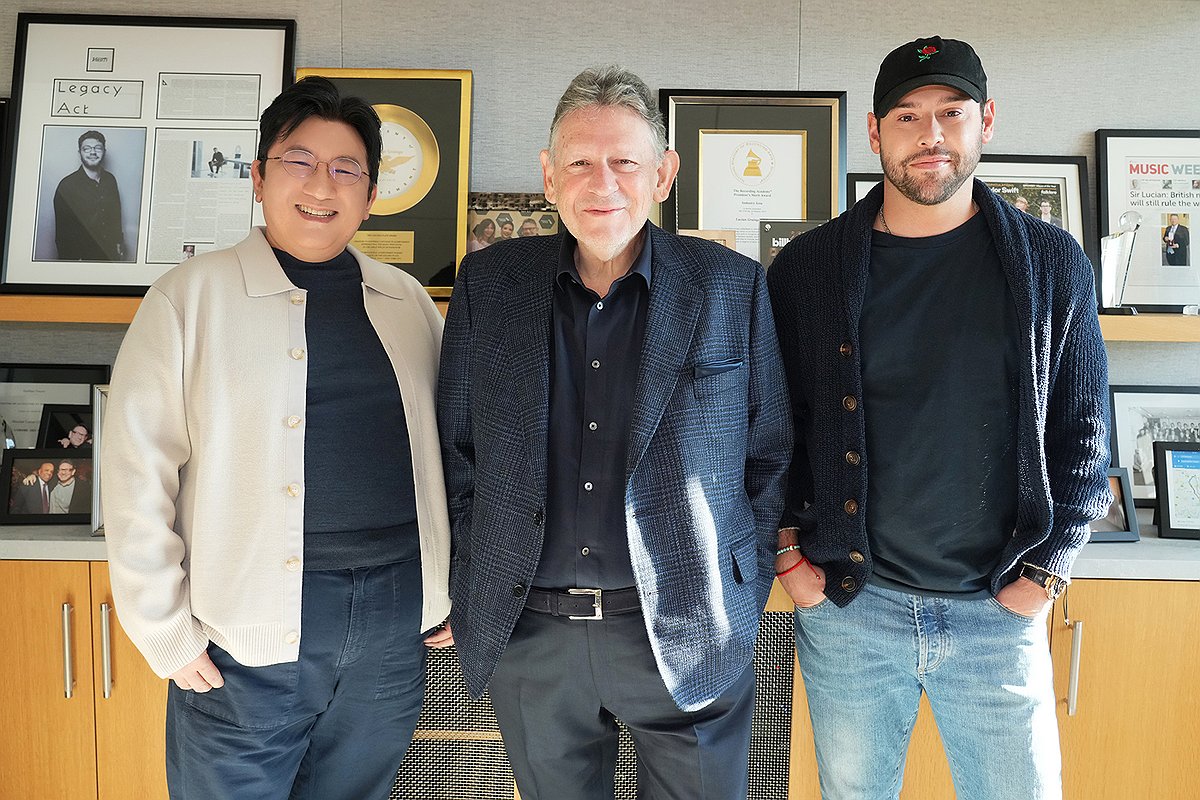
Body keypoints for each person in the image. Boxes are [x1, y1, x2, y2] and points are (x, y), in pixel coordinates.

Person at [768, 36, 1111, 799]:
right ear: (874, 132)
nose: (931, 135)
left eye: (951, 113)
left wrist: (1046, 573)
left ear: (985, 120)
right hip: (852, 611)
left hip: (998, 611)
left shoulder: (1052, 262)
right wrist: (789, 559)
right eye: (907, 116)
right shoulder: (807, 269)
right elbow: (771, 430)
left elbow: (1086, 433)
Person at [438, 66, 792, 800]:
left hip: (692, 630)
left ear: (663, 174)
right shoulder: (489, 284)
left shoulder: (730, 284)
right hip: (531, 639)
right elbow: (459, 451)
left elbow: (768, 453)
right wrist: (472, 579)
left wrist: (741, 585)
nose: (602, 183)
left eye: (625, 161)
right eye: (579, 162)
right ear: (548, 176)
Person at [103, 76, 452, 800]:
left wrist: (455, 589)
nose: (322, 185)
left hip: (394, 631)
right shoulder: (190, 297)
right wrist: (164, 630)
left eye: (346, 168)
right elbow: (137, 472)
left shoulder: (407, 301)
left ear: (371, 194)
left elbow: (457, 454)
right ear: (259, 177)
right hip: (244, 640)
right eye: (300, 161)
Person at [53, 130, 126, 261]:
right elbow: (62, 233)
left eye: (98, 148)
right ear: (79, 152)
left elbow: (115, 215)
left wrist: (119, 242)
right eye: (87, 148)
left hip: (109, 255)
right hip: (81, 257)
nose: (93, 152)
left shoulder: (110, 180)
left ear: (104, 151)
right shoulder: (66, 186)